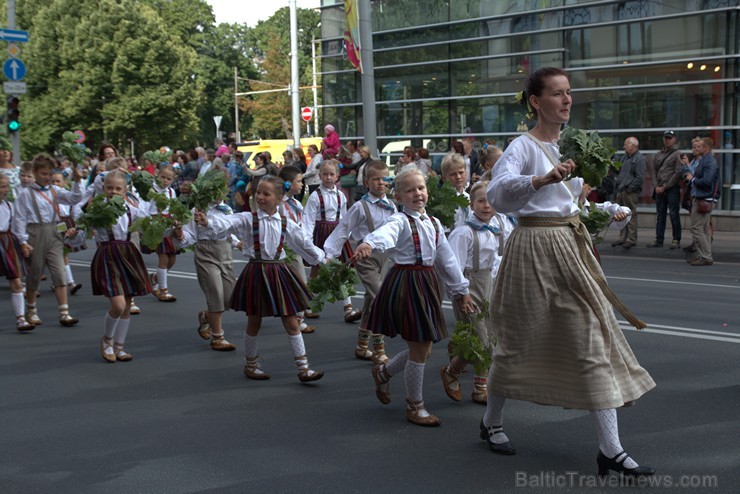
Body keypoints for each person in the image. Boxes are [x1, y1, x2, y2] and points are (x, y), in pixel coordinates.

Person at [484, 67, 655, 478]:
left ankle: (610, 449)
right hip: (533, 247)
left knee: (591, 336)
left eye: (569, 93)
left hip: (570, 246)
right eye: (557, 94)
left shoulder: (573, 146)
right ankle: (491, 421)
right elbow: (497, 194)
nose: (566, 100)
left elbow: (571, 205)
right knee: (516, 342)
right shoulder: (522, 147)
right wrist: (540, 180)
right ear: (536, 102)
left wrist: (606, 211)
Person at [354, 166, 474, 427]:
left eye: (420, 188)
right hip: (407, 284)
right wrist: (370, 243)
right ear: (398, 196)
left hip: (427, 283)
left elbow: (447, 259)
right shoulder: (399, 220)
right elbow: (386, 234)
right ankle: (414, 405)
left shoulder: (433, 223)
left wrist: (461, 290)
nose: (417, 194)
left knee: (425, 349)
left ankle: (384, 373)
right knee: (419, 348)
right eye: (410, 190)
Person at [195, 175, 326, 383]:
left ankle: (304, 368)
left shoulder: (286, 222)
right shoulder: (248, 219)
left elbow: (303, 242)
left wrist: (322, 258)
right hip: (256, 272)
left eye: (267, 193)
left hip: (279, 272)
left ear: (278, 198)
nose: (261, 197)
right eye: (258, 193)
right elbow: (227, 222)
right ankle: (251, 365)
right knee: (254, 321)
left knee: (291, 321)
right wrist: (207, 221)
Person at [324, 160, 396, 363]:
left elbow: (397, 231)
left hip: (384, 258)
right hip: (365, 259)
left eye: (385, 179)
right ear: (366, 182)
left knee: (371, 302)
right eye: (376, 179)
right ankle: (379, 349)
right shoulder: (360, 206)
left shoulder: (391, 205)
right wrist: (330, 254)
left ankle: (361, 346)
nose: (381, 183)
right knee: (380, 298)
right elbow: (343, 229)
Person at [442, 181, 503, 405]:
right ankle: (464, 378)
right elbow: (453, 267)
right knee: (481, 340)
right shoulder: (463, 233)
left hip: (487, 284)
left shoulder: (495, 229)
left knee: (490, 338)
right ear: (471, 204)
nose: (487, 206)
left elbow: (494, 261)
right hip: (468, 286)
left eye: (491, 201)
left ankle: (466, 379)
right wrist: (461, 293)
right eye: (481, 201)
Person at [88, 170, 152, 362]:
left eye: (118, 188)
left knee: (126, 304)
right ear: (103, 188)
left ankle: (119, 346)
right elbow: (86, 228)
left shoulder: (131, 209)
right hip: (108, 255)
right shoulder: (98, 208)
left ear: (125, 191)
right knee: (118, 303)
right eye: (109, 187)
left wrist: (169, 225)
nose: (113, 191)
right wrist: (75, 233)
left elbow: (147, 221)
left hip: (127, 253)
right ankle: (107, 340)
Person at [13, 154, 82, 327]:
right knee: (35, 272)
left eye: (49, 173)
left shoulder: (55, 190)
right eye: (44, 173)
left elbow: (74, 198)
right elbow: (19, 219)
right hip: (35, 232)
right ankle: (31, 309)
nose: (47, 177)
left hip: (53, 231)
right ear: (35, 173)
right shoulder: (25, 194)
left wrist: (76, 181)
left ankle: (64, 312)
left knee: (59, 272)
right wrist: (23, 241)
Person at [173, 185, 239, 352]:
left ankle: (206, 316)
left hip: (225, 252)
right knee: (215, 292)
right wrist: (181, 234)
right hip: (206, 253)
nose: (219, 195)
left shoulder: (227, 209)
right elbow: (190, 234)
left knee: (230, 296)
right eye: (215, 191)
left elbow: (230, 229)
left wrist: (239, 243)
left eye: (222, 191)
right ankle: (218, 337)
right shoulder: (199, 210)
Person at [302, 160, 361, 322]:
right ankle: (306, 304)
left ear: (337, 176)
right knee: (315, 270)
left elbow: (345, 218)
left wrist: (346, 235)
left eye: (331, 174)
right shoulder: (315, 196)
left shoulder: (341, 196)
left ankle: (348, 308)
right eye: (325, 174)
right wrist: (306, 241)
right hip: (321, 233)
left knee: (341, 269)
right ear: (320, 176)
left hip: (337, 234)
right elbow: (308, 220)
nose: (328, 177)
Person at [278, 165, 315, 335]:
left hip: (295, 248)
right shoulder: (278, 204)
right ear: (287, 184)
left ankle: (297, 319)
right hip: (283, 248)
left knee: (300, 284)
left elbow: (301, 226)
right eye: (298, 181)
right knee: (296, 284)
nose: (301, 184)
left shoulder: (297, 203)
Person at [0, 174, 34, 331]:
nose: (4, 190)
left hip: (7, 242)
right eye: (1, 187)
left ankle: (20, 318)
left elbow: (17, 226)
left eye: (6, 186)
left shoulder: (9, 206)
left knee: (17, 280)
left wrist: (23, 243)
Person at [143, 164, 180, 302]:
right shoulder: (152, 191)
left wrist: (176, 222)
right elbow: (146, 210)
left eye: (168, 178)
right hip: (157, 226)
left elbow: (174, 208)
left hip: (169, 227)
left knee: (172, 260)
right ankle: (163, 290)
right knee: (163, 259)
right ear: (157, 175)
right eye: (163, 177)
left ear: (172, 179)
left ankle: (155, 278)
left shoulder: (171, 192)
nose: (165, 180)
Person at [684, 137, 719, 266]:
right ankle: (704, 255)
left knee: (697, 228)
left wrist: (692, 180)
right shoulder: (707, 160)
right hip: (703, 197)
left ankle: (705, 256)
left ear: (707, 148)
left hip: (703, 198)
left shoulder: (709, 162)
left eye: (702, 146)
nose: (700, 148)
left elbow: (707, 181)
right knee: (703, 229)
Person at [50, 170, 84, 295]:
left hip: (67, 226)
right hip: (54, 226)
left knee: (63, 255)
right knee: (58, 255)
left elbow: (76, 210)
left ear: (64, 183)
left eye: (58, 181)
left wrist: (77, 226)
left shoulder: (67, 198)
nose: (55, 184)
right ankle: (68, 283)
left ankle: (64, 282)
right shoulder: (48, 198)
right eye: (52, 181)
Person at [647, 131, 683, 249]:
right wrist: (656, 186)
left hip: (671, 188)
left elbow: (678, 172)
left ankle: (676, 239)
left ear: (674, 139)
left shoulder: (678, 154)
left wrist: (665, 187)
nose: (667, 140)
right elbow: (653, 171)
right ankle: (659, 238)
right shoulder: (658, 155)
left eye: (670, 138)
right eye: (666, 138)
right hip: (659, 188)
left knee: (674, 214)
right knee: (660, 214)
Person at [611, 137, 646, 249]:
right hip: (621, 190)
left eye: (626, 144)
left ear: (633, 146)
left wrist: (630, 189)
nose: (623, 146)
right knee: (621, 214)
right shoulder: (625, 157)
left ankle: (631, 239)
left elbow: (640, 178)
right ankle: (622, 237)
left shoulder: (639, 159)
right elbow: (619, 171)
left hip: (629, 192)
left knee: (630, 215)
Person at [440, 152, 470, 229]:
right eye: (453, 174)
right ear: (444, 178)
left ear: (466, 173)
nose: (458, 177)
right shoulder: (443, 201)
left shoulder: (469, 197)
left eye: (461, 172)